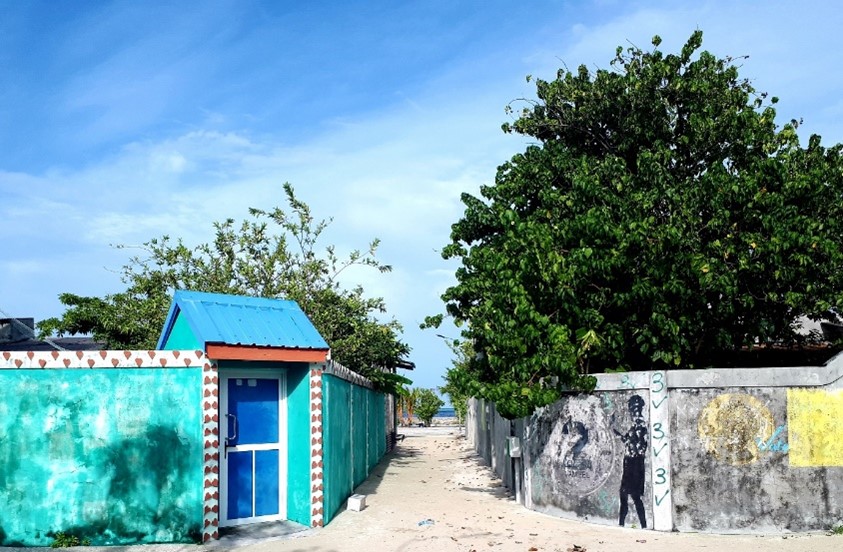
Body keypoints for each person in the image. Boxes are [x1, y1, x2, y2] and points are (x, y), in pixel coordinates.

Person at [612, 394, 648, 528]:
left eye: (633, 408)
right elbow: (627, 440)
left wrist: (618, 433)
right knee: (626, 495)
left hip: (635, 463)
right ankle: (623, 523)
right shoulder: (636, 423)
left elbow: (637, 445)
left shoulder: (640, 423)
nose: (632, 411)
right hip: (630, 462)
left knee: (633, 496)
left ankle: (639, 524)